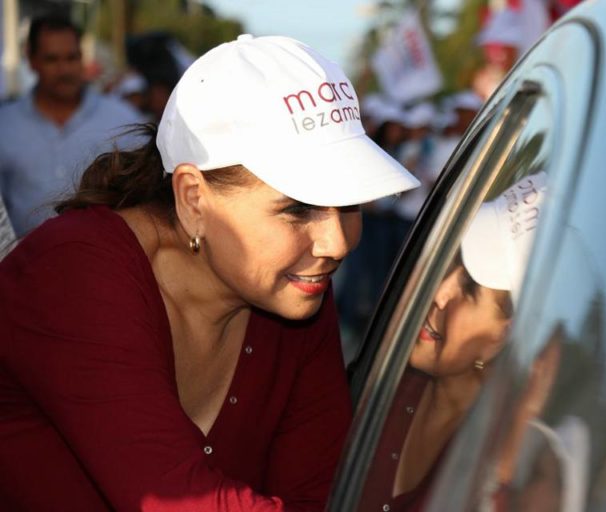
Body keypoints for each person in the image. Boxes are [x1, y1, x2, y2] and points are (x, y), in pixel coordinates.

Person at [0, 35, 419, 511]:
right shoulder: (74, 274)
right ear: (193, 198)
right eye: (298, 208)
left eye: (351, 203)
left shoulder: (294, 290)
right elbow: (179, 499)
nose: (336, 243)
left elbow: (320, 490)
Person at [359, 172, 547, 512]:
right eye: (449, 261)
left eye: (471, 288)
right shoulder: (381, 378)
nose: (440, 292)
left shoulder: (500, 464)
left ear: (509, 333)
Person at [0, 14, 143, 235]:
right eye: (52, 59)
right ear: (31, 60)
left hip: (103, 254)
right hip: (22, 256)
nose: (64, 70)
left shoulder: (122, 120)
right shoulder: (6, 125)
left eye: (72, 58)